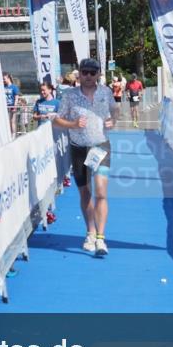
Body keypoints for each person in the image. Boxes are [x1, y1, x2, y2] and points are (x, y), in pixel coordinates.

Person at [52, 58, 118, 256]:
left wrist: (112, 120)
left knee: (101, 192)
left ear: (98, 74)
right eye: (85, 72)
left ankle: (100, 239)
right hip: (79, 148)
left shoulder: (105, 92)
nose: (88, 76)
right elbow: (56, 120)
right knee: (85, 193)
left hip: (100, 147)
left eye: (92, 72)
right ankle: (90, 231)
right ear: (78, 74)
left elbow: (115, 110)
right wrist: (72, 125)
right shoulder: (70, 95)